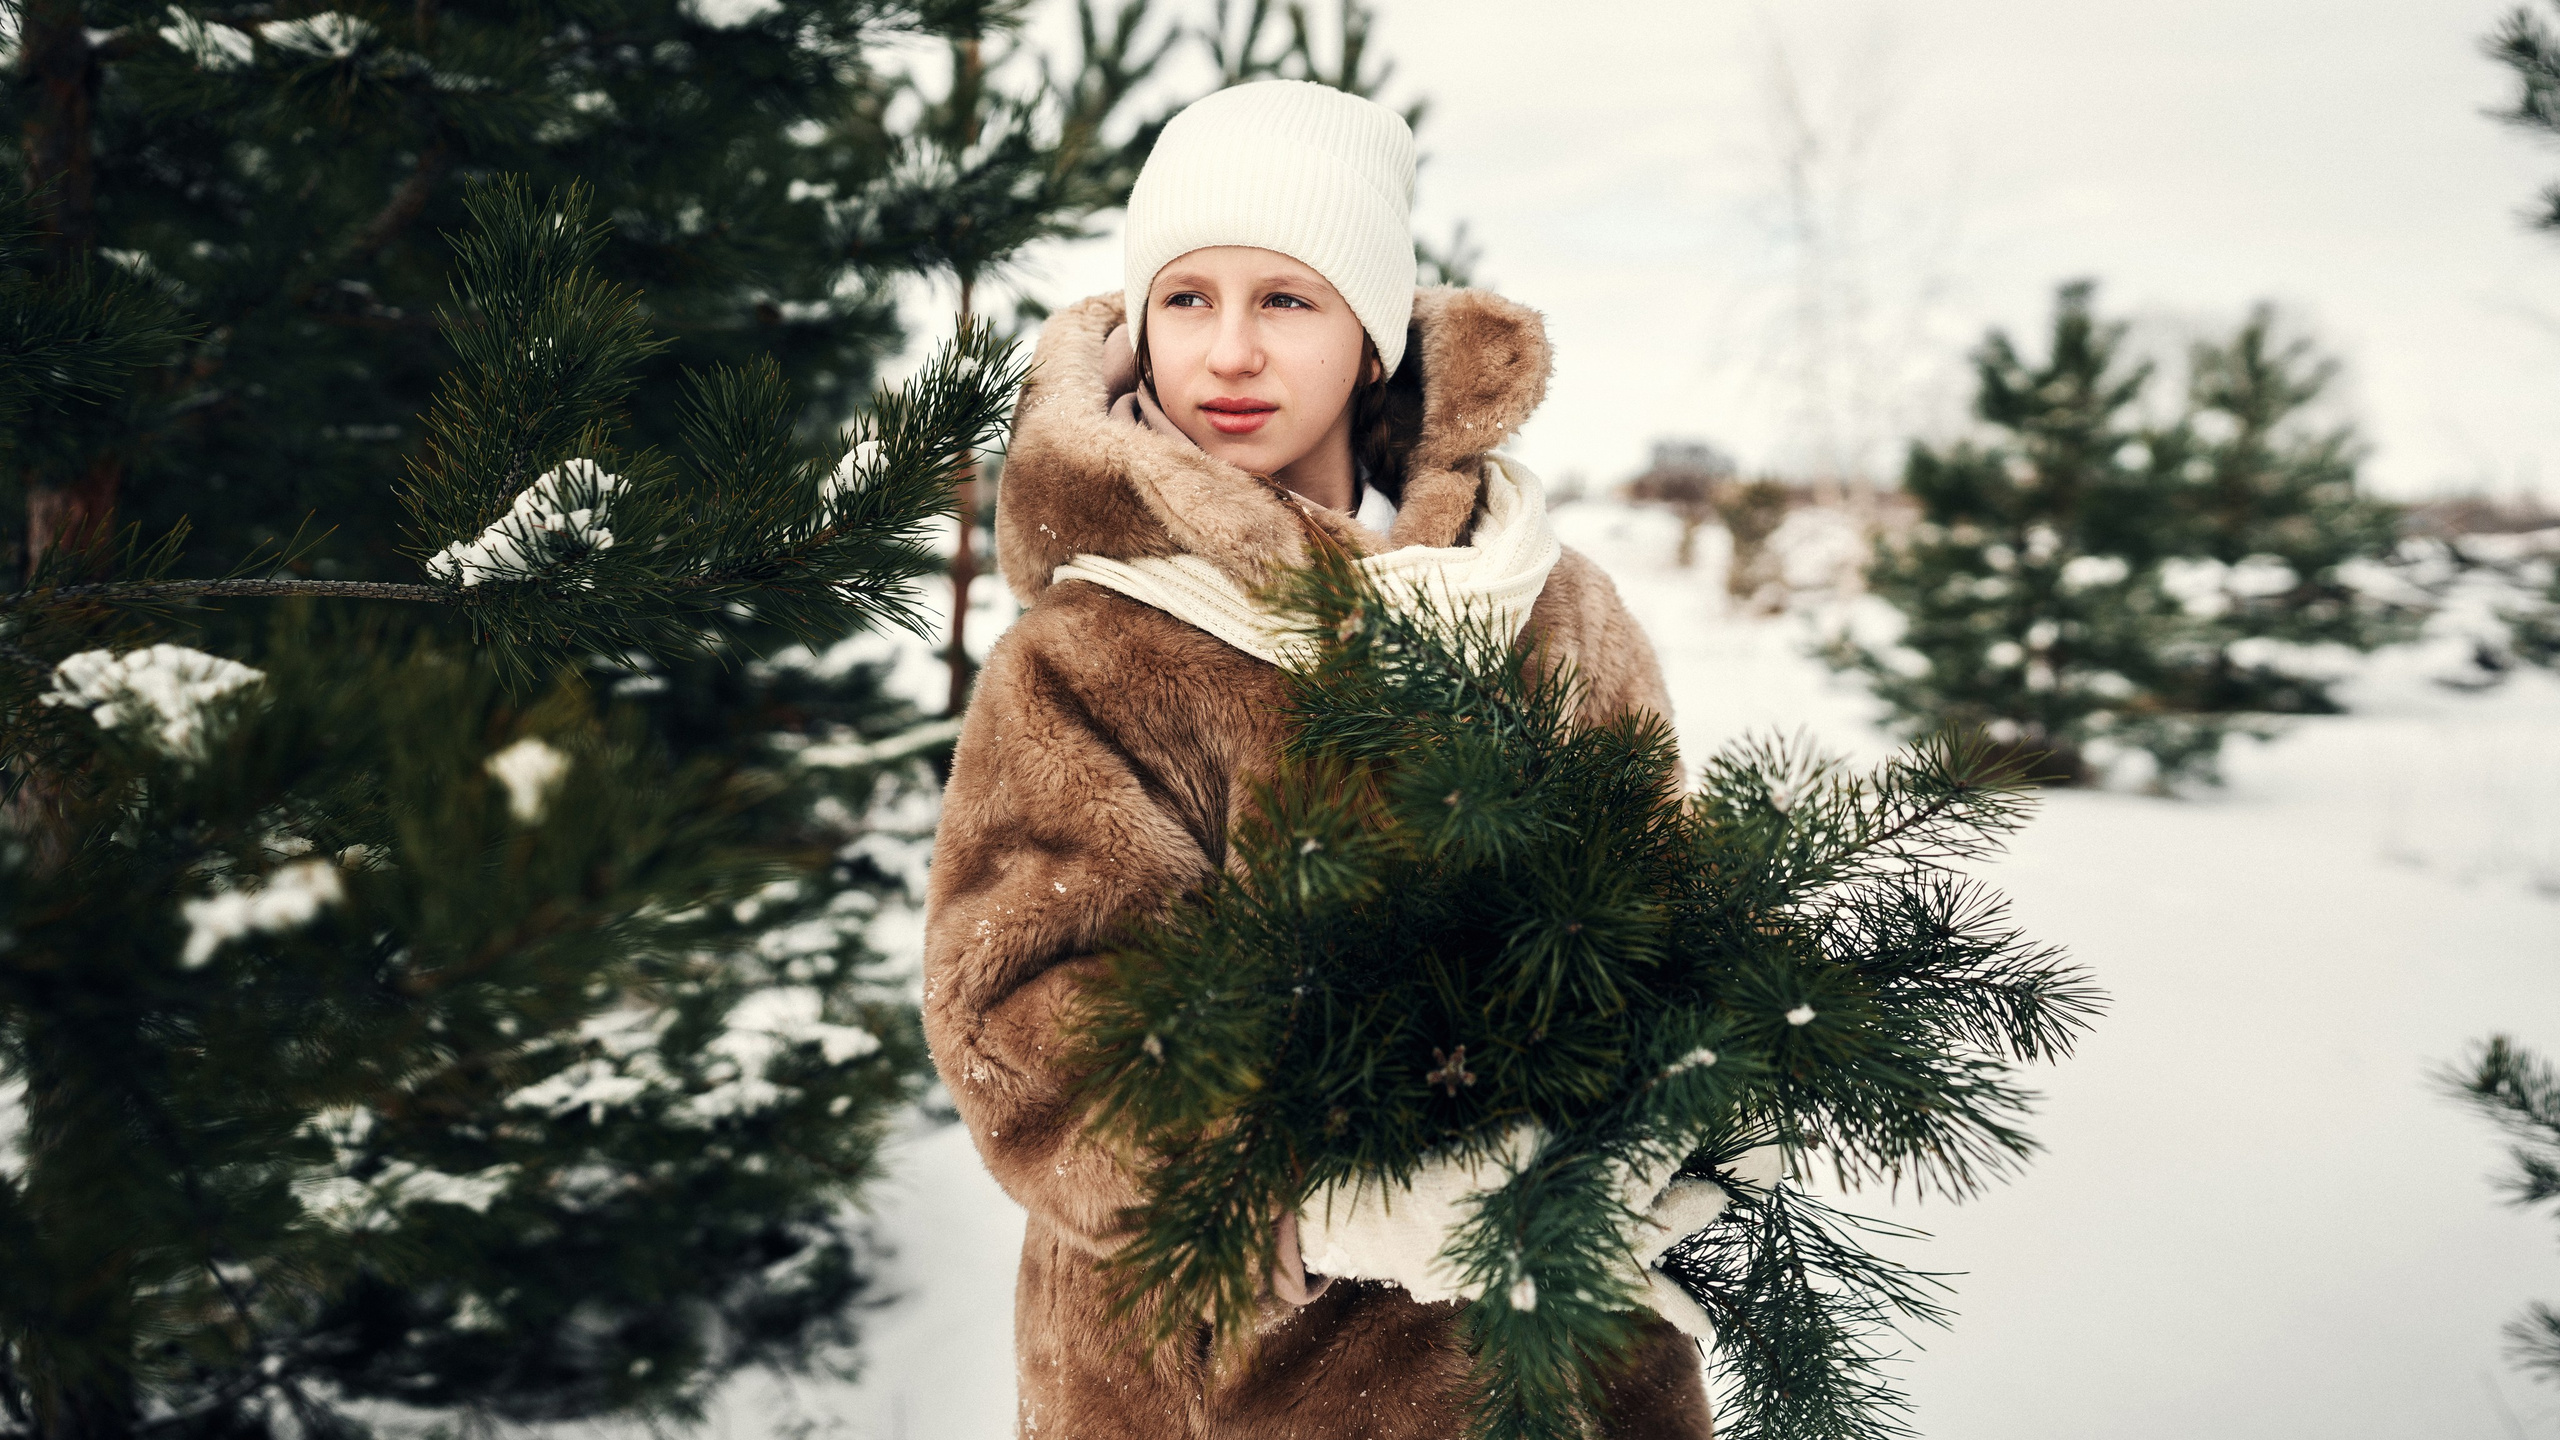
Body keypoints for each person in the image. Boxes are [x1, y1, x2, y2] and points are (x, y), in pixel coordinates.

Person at [922, 79, 1711, 1439]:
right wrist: (1306, 1189)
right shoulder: (1090, 650)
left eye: (1286, 300)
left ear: (1371, 340)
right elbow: (1024, 1009)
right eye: (1186, 299)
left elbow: (1659, 913)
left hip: (1544, 1355)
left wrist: (1679, 1111)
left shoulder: (1550, 604)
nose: (1227, 352)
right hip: (1219, 1372)